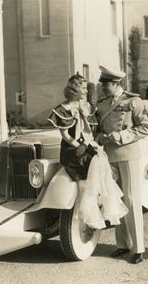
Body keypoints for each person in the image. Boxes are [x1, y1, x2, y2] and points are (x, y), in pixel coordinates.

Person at [48, 73, 128, 229]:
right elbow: (65, 135)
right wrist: (79, 145)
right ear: (75, 89)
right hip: (71, 149)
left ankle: (101, 203)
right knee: (93, 161)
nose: (86, 91)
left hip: (86, 146)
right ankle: (87, 208)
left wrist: (90, 144)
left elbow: (91, 131)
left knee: (100, 158)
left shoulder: (87, 107)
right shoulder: (62, 109)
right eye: (83, 88)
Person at [96, 65, 148, 264]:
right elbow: (97, 128)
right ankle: (122, 244)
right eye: (102, 84)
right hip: (109, 157)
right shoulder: (101, 104)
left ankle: (138, 249)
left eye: (106, 85)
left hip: (128, 155)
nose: (102, 88)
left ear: (116, 83)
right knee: (115, 200)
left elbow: (145, 128)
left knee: (131, 200)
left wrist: (120, 135)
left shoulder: (133, 101)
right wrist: (100, 137)